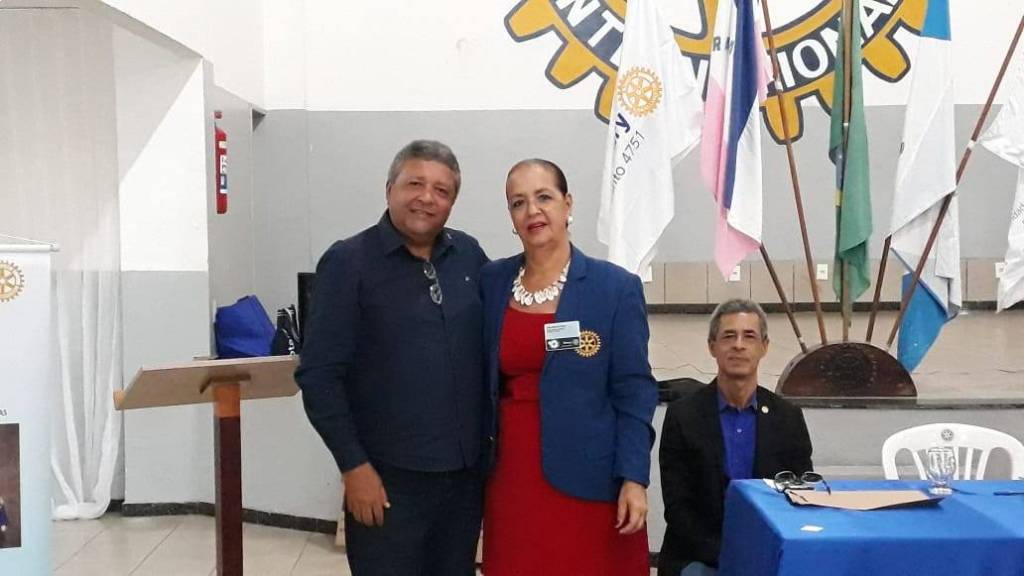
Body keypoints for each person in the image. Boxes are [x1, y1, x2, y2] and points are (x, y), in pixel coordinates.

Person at [295, 140, 488, 575]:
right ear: (389, 189)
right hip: (385, 481)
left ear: (452, 202)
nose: (427, 197)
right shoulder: (348, 263)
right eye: (415, 184)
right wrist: (353, 466)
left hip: (462, 482)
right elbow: (319, 376)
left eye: (442, 190)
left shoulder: (469, 256)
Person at [479, 159, 657, 575]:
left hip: (591, 474)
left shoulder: (614, 288)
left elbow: (635, 391)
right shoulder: (491, 282)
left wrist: (634, 477)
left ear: (567, 204)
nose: (532, 211)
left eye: (544, 197)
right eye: (518, 202)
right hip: (511, 474)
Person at [657, 299, 813, 576]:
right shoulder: (683, 416)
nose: (738, 345)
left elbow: (801, 495)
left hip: (768, 554)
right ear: (712, 346)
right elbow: (679, 509)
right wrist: (732, 557)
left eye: (749, 336)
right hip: (701, 557)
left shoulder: (788, 418)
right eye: (729, 336)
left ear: (764, 346)